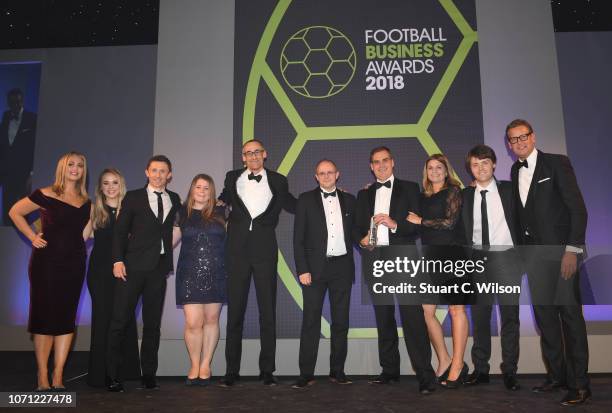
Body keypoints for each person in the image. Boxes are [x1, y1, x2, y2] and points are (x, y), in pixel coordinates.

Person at [506, 119, 590, 405]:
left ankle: (580, 385)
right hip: (534, 259)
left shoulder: (557, 163)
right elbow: (520, 215)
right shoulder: (515, 169)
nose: (519, 143)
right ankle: (557, 376)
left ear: (533, 136)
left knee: (570, 318)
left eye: (523, 137)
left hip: (562, 254)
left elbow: (577, 209)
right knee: (546, 319)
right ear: (509, 144)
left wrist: (573, 250)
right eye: (513, 139)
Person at [354, 146, 437, 394]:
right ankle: (389, 371)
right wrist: (361, 240)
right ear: (371, 166)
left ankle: (425, 375)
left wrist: (394, 224)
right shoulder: (363, 195)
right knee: (384, 319)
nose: (381, 165)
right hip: (376, 262)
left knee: (413, 319)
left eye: (385, 161)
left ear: (393, 162)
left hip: (403, 260)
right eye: (376, 162)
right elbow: (356, 227)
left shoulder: (410, 188)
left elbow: (417, 226)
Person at [9, 151, 90, 391]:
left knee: (66, 320)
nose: (75, 169)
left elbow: (85, 235)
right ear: (62, 168)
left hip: (74, 265)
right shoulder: (45, 193)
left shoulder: (87, 202)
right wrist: (32, 236)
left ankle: (58, 376)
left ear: (84, 171)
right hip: (46, 264)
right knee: (44, 319)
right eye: (70, 165)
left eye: (79, 165)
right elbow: (15, 211)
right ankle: (42, 376)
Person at [218, 139, 296, 386]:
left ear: (265, 154)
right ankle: (231, 371)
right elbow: (221, 200)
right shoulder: (232, 178)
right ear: (243, 158)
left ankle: (267, 370)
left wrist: (331, 196)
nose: (252, 156)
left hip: (265, 250)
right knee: (235, 314)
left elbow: (294, 204)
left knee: (267, 313)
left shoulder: (278, 180)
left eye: (256, 152)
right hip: (237, 252)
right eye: (247, 153)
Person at [106, 155, 181, 392]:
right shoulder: (133, 197)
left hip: (158, 270)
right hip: (132, 267)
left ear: (169, 175)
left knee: (152, 324)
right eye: (155, 170)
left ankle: (148, 374)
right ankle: (113, 376)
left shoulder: (175, 199)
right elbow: (119, 232)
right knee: (119, 321)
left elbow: (177, 226)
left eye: (163, 171)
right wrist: (117, 260)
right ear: (147, 172)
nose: (159, 175)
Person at [458, 145, 522, 391]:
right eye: (475, 164)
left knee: (509, 318)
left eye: (485, 163)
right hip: (477, 261)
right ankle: (481, 369)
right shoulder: (464, 195)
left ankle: (510, 371)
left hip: (507, 259)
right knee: (481, 317)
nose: (481, 168)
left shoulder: (509, 189)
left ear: (494, 164)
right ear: (470, 169)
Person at [292, 160, 356, 388]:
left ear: (337, 174)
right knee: (310, 321)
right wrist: (302, 269)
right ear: (316, 176)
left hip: (342, 268)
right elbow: (298, 238)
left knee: (341, 322)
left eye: (330, 172)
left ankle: (337, 371)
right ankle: (306, 373)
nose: (327, 176)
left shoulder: (350, 200)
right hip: (314, 269)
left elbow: (358, 231)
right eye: (322, 173)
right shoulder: (305, 200)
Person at [407, 153, 468, 388]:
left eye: (439, 167)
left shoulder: (453, 191)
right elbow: (405, 212)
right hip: (431, 257)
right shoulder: (423, 197)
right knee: (427, 310)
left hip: (452, 254)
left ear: (446, 170)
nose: (434, 171)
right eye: (430, 168)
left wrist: (421, 221)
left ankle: (458, 365)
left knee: (456, 310)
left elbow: (450, 222)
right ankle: (444, 359)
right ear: (426, 172)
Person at [85, 169, 140, 387]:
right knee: (103, 320)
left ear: (121, 184)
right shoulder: (94, 209)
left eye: (114, 182)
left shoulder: (131, 209)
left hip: (126, 272)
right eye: (106, 183)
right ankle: (102, 374)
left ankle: (124, 372)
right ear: (100, 187)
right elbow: (80, 236)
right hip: (99, 273)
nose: (110, 187)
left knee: (124, 319)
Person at [172, 174, 226, 386]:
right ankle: (194, 364)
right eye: (198, 187)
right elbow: (169, 242)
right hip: (189, 273)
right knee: (193, 322)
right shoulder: (181, 213)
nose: (202, 191)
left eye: (206, 188)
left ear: (211, 192)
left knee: (212, 320)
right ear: (192, 189)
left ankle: (206, 364)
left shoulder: (223, 212)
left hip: (217, 272)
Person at [1, 88, 37, 226]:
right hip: (7, 174)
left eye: (17, 102)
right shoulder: (5, 118)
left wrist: (31, 173)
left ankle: (24, 243)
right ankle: (6, 243)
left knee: (24, 209)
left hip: (24, 174)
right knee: (7, 209)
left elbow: (34, 146)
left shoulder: (32, 119)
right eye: (11, 102)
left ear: (21, 101)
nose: (15, 105)